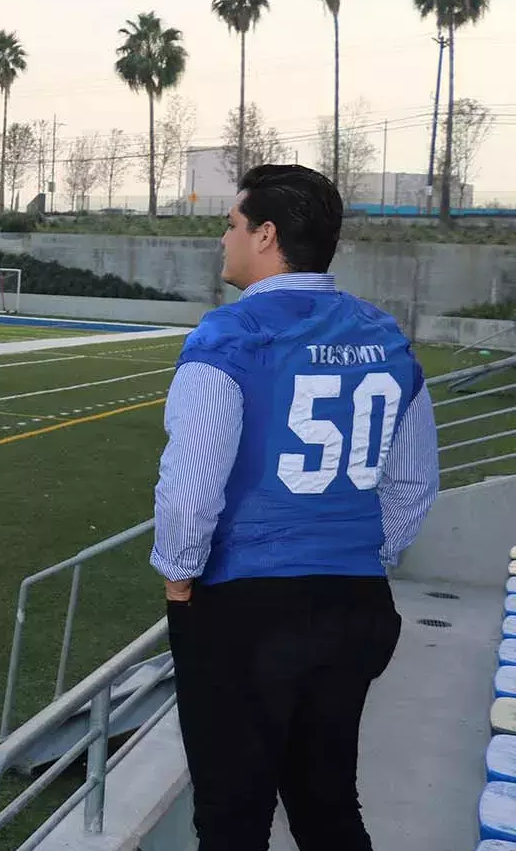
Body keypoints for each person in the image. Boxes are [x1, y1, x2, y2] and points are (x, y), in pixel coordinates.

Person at [151, 164, 440, 850]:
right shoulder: (388, 339)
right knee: (328, 804)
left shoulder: (230, 336)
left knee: (232, 817)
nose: (224, 239)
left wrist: (179, 578)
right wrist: (362, 561)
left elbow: (191, 487)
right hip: (355, 606)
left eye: (232, 224)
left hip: (250, 612)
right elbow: (412, 485)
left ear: (267, 234)